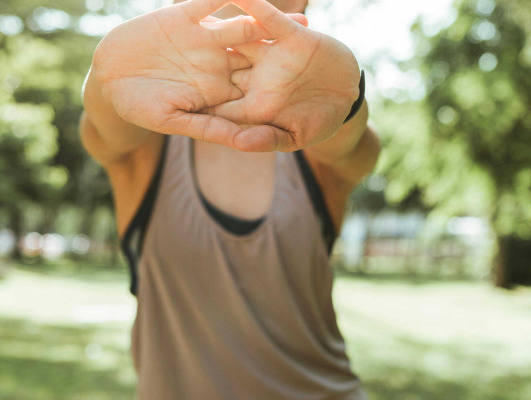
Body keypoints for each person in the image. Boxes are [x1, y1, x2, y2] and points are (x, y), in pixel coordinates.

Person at [80, 0, 380, 398]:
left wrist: (348, 103)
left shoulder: (318, 144)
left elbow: (352, 142)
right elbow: (105, 124)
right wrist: (104, 80)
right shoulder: (147, 146)